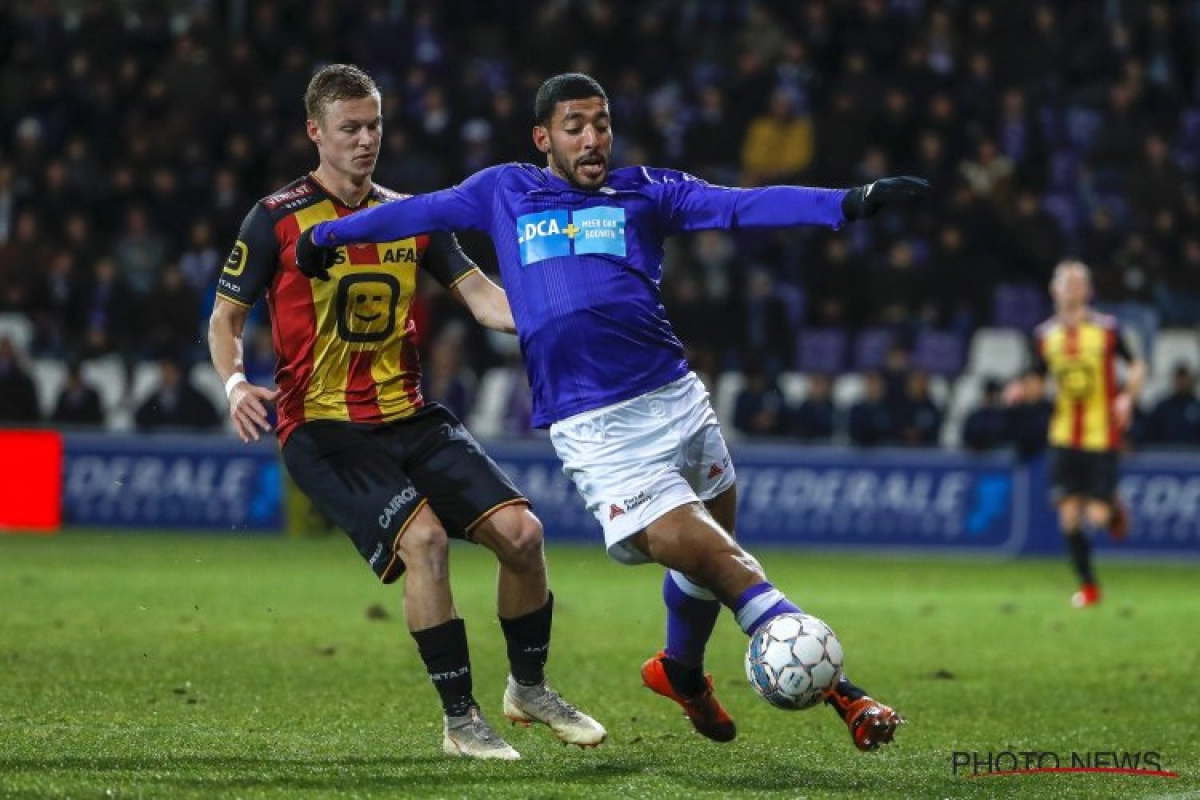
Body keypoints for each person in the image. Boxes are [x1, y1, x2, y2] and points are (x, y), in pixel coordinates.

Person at [296, 72, 927, 750]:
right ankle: (842, 690)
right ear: (543, 137)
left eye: (601, 124)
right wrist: (332, 237)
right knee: (723, 562)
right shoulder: (504, 192)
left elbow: (740, 206)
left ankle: (680, 671)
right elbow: (417, 213)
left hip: (680, 402)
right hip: (600, 431)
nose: (593, 139)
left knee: (708, 562)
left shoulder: (645, 192)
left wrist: (849, 201)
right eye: (575, 127)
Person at [207, 64, 604, 761]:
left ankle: (530, 687)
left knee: (524, 534)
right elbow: (224, 317)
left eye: (374, 127)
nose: (365, 142)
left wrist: (555, 314)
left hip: (411, 416)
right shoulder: (276, 218)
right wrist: (236, 383)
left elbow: (481, 296)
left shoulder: (411, 213)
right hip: (324, 429)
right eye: (350, 129)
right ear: (315, 132)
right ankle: (461, 721)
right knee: (424, 542)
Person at [1006, 261, 1145, 608]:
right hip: (1065, 434)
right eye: (1063, 281)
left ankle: (1111, 506)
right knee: (1068, 516)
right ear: (1054, 290)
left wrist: (1128, 396)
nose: (1069, 287)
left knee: (1095, 518)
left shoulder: (1107, 329)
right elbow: (1037, 382)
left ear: (1087, 290)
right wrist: (1022, 391)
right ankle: (1089, 586)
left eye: (1076, 281)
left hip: (1101, 434)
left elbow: (1138, 364)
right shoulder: (1045, 336)